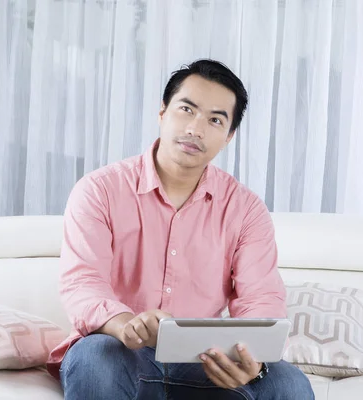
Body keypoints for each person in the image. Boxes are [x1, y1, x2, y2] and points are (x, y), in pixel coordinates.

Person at [46, 59, 315, 399]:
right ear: (162, 112)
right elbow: (82, 283)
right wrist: (126, 324)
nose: (195, 129)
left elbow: (260, 299)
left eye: (215, 120)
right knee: (96, 357)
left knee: (287, 382)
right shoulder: (99, 190)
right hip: (119, 350)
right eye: (186, 109)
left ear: (229, 136)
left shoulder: (245, 209)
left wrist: (252, 360)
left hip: (205, 362)